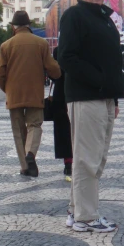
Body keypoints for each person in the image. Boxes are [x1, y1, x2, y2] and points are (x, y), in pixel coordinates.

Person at [57, 0, 124, 233]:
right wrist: (98, 81)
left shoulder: (105, 18)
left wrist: (114, 96)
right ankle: (87, 216)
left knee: (96, 157)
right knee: (87, 158)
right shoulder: (74, 15)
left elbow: (110, 60)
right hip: (86, 96)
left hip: (104, 96)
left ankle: (77, 212)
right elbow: (66, 57)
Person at [0, 10, 61, 177]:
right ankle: (31, 154)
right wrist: (58, 75)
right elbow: (53, 69)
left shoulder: (6, 45)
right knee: (35, 125)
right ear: (29, 25)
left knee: (18, 130)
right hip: (34, 93)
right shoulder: (41, 43)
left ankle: (25, 167)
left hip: (14, 95)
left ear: (13, 27)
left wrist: (8, 89)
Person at [50, 47, 73, 182]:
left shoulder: (58, 50)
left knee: (63, 131)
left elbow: (53, 73)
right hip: (77, 93)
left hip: (60, 94)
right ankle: (79, 162)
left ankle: (68, 163)